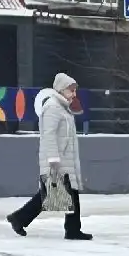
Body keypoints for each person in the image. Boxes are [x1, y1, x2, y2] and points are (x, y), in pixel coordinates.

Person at [7, 73, 91, 240]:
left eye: (75, 90)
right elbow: (49, 134)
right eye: (71, 90)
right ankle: (20, 218)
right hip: (57, 160)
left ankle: (71, 229)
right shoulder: (52, 107)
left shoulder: (63, 107)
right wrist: (53, 158)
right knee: (52, 194)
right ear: (61, 89)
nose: (74, 94)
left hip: (65, 158)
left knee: (66, 192)